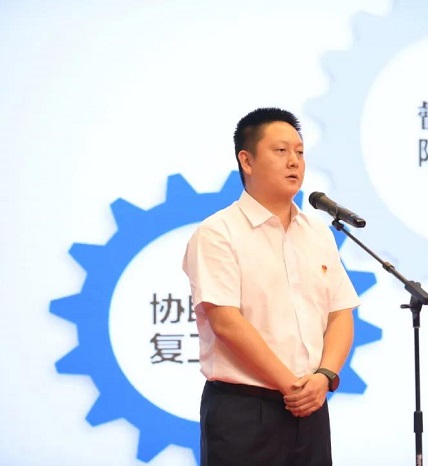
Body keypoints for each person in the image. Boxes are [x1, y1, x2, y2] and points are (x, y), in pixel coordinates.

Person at [182, 107, 360, 465]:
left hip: (312, 407)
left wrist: (324, 376)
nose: (294, 161)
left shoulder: (318, 233)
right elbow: (226, 321)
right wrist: (292, 386)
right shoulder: (218, 233)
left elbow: (340, 313)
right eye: (281, 151)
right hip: (244, 412)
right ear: (246, 161)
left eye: (299, 152)